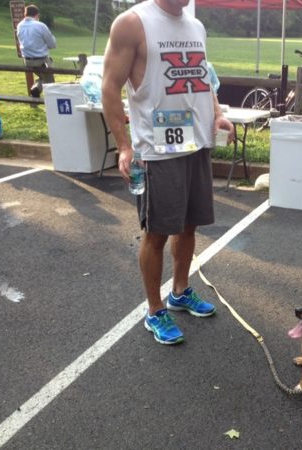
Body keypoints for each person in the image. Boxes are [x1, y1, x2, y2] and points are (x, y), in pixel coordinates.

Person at [102, 0, 234, 345]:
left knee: (189, 224)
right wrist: (125, 146)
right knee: (157, 232)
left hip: (196, 143)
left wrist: (217, 113)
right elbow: (109, 86)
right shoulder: (132, 23)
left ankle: (179, 291)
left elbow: (203, 77)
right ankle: (155, 310)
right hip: (157, 150)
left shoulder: (195, 26)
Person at [16, 4, 56, 98]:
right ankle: (50, 101)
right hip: (41, 60)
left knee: (42, 77)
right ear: (37, 15)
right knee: (50, 82)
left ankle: (36, 88)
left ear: (25, 15)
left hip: (27, 60)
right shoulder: (40, 25)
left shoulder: (20, 25)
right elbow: (52, 44)